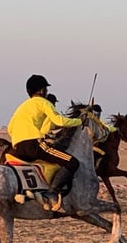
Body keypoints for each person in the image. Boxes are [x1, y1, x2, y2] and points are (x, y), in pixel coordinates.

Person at [6, 74, 82, 208]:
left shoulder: (22, 106)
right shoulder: (44, 102)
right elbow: (59, 120)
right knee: (72, 162)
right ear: (41, 90)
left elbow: (10, 128)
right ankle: (52, 193)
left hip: (17, 146)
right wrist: (80, 121)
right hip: (34, 144)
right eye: (45, 89)